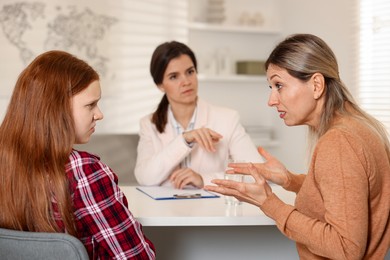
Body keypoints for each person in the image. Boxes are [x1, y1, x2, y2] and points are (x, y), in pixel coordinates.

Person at [205, 34, 390, 259]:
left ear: (316, 85)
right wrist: (289, 180)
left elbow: (346, 248)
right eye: (271, 87)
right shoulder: (357, 127)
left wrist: (270, 204)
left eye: (279, 85)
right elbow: (346, 193)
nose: (271, 100)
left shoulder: (339, 143)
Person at [0, 50, 156, 259]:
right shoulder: (83, 172)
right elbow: (137, 257)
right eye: (90, 105)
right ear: (56, 109)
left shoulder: (5, 162)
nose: (99, 114)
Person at [134, 41, 263, 189]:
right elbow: (145, 177)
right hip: (166, 210)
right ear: (160, 85)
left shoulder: (227, 119)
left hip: (212, 209)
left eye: (190, 72)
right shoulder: (148, 124)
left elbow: (257, 174)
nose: (186, 82)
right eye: (174, 76)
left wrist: (204, 179)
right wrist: (184, 140)